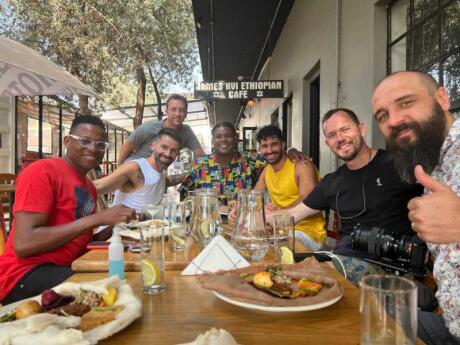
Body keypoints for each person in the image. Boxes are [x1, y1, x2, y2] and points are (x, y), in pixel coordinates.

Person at [259, 108, 422, 284]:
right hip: (343, 260)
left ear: (362, 129)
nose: (340, 138)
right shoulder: (333, 182)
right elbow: (292, 215)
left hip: (392, 267)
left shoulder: (397, 164)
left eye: (345, 130)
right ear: (327, 143)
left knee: (303, 277)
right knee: (280, 267)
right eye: (332, 135)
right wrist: (254, 215)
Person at [0, 115, 134, 305]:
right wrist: (99, 218)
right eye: (85, 141)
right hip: (24, 275)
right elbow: (24, 244)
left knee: (123, 278)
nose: (93, 148)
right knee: (113, 293)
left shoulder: (88, 188)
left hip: (66, 266)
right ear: (67, 141)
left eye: (101, 145)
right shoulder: (41, 172)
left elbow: (77, 242)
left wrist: (113, 229)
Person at [372, 70, 460, 345]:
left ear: (442, 98)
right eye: (383, 116)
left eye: (406, 102)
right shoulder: (432, 165)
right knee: (367, 314)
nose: (395, 120)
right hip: (451, 325)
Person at [253, 125, 326, 251]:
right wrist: (263, 206)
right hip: (278, 230)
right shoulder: (267, 171)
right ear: (260, 149)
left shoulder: (302, 165)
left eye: (274, 144)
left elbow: (308, 199)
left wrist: (277, 213)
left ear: (283, 144)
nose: (270, 150)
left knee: (272, 250)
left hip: (307, 233)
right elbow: (253, 197)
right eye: (265, 146)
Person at [93, 128, 181, 213]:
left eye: (173, 151)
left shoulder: (161, 174)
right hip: (118, 227)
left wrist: (188, 175)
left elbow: (169, 181)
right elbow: (97, 187)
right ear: (153, 146)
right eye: (164, 147)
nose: (168, 154)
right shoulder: (134, 168)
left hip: (146, 227)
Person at [179, 122, 265, 204]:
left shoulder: (249, 160)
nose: (223, 140)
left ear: (235, 139)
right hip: (210, 218)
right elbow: (183, 192)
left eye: (228, 136)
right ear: (213, 141)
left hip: (241, 217)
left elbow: (273, 162)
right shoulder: (199, 165)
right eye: (218, 137)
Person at [117, 93, 205, 163]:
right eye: (173, 109)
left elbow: (200, 155)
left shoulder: (186, 132)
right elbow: (125, 148)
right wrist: (119, 173)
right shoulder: (149, 128)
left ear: (186, 113)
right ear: (166, 111)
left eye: (181, 110)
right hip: (134, 171)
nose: (177, 114)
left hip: (156, 174)